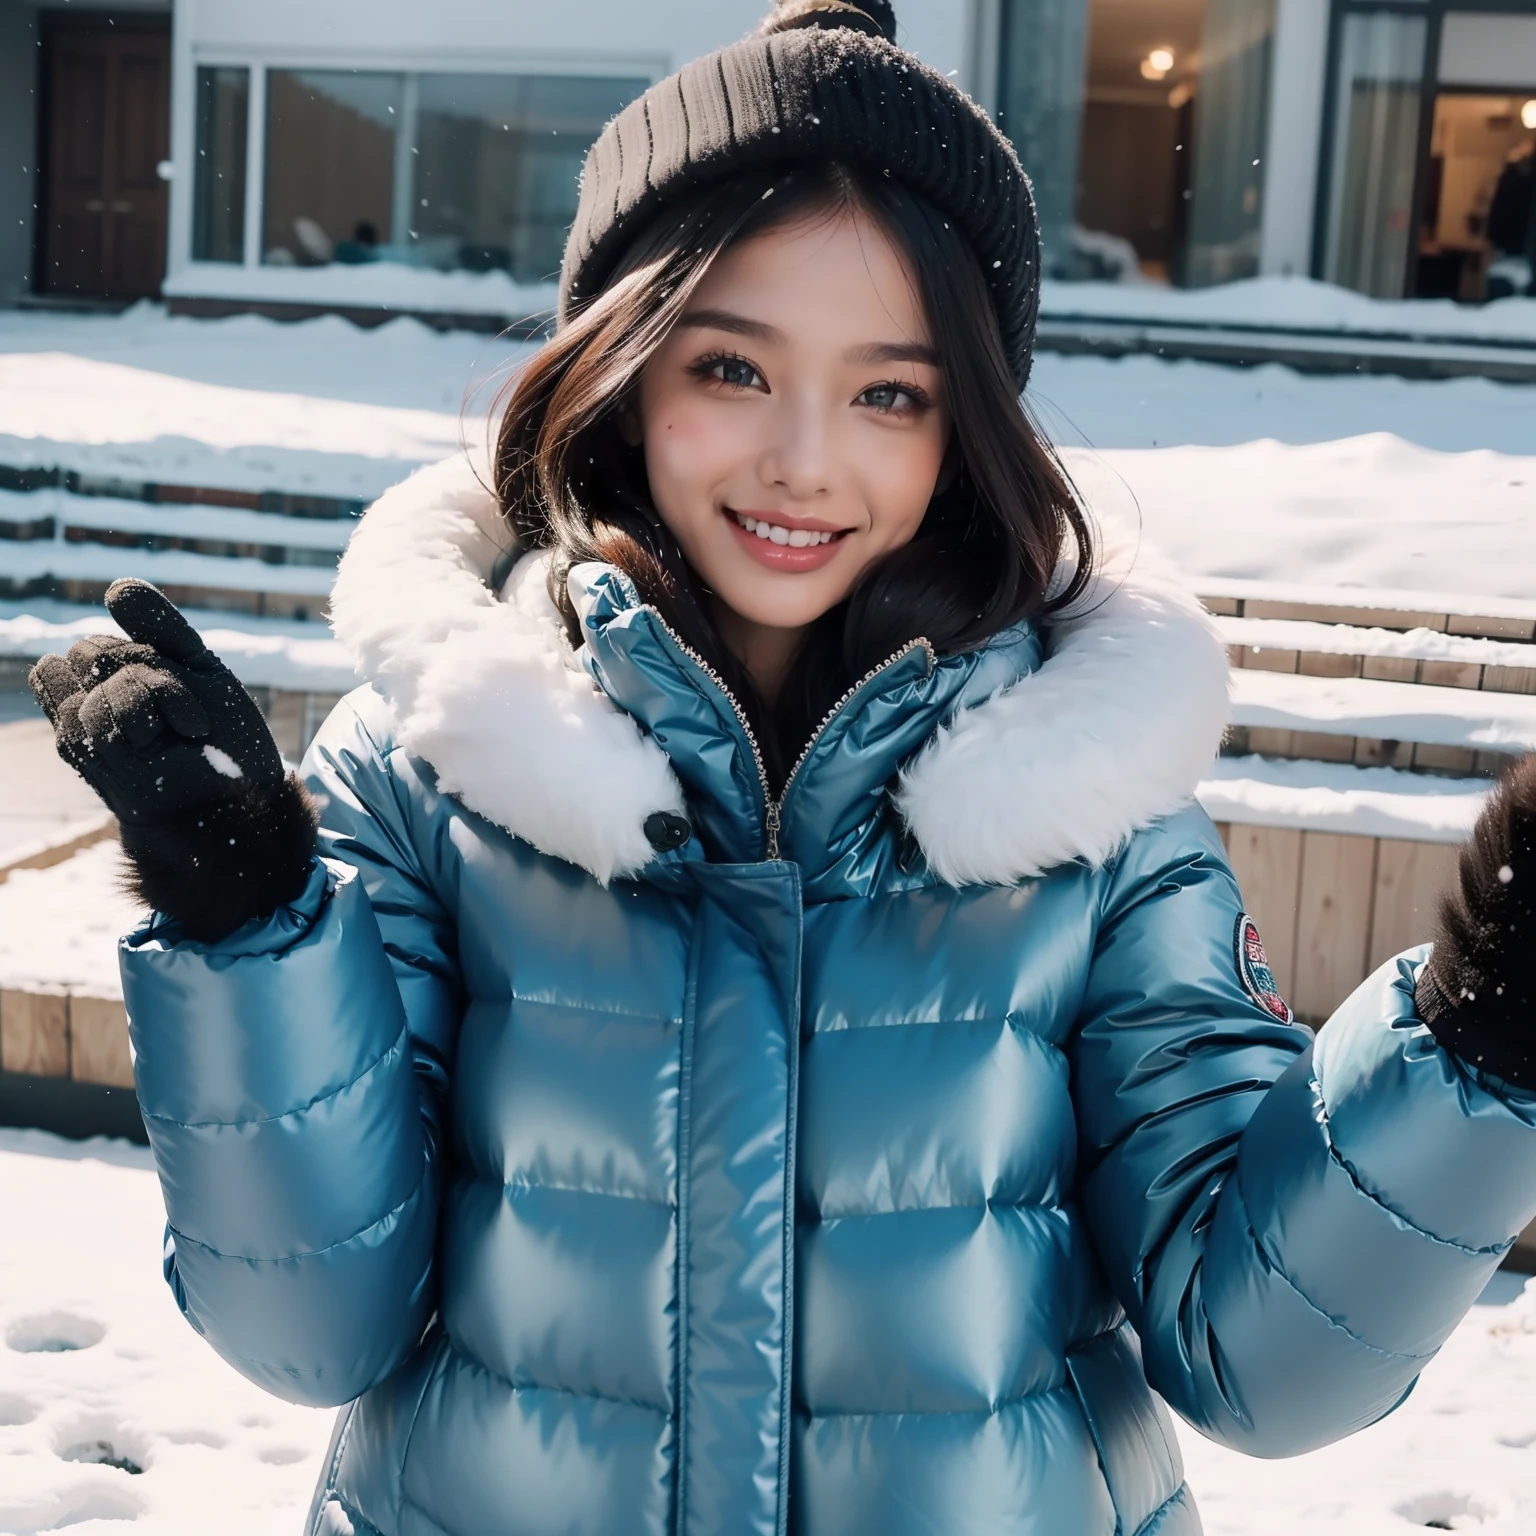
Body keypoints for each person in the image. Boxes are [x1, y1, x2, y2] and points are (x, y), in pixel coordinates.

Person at [28, 4, 1536, 1533]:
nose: (806, 458)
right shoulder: (442, 769)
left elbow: (1265, 1359)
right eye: (734, 369)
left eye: (891, 390)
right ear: (620, 363)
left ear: (969, 427)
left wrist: (1478, 1046)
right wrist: (247, 926)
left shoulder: (1087, 807)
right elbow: (314, 1328)